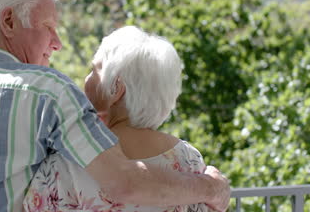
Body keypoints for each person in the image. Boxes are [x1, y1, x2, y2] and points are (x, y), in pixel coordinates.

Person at [0, 0, 230, 212]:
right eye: (48, 27)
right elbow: (123, 182)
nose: (57, 43)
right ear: (9, 21)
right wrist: (211, 188)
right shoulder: (47, 91)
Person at [23, 26, 215, 212]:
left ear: (116, 88)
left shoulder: (71, 159)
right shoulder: (189, 159)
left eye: (94, 70)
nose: (86, 79)